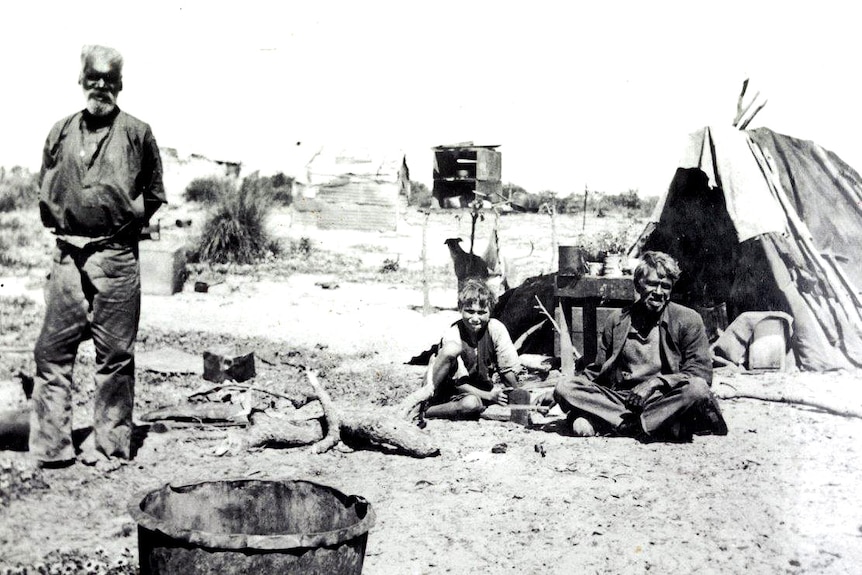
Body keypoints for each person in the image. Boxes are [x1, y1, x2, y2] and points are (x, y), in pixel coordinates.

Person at [30, 45, 165, 467]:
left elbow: (154, 193)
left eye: (110, 79)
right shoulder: (59, 131)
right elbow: (44, 188)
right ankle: (52, 447)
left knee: (115, 357)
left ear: (120, 85)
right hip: (67, 256)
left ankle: (110, 447)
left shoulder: (138, 133)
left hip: (115, 257)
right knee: (51, 352)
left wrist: (121, 221)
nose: (101, 86)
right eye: (94, 78)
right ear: (81, 80)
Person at [553, 251, 727, 442]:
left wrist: (656, 382)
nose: (659, 293)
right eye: (652, 284)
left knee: (697, 389)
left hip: (665, 399)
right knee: (564, 386)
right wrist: (557, 393)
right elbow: (596, 371)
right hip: (623, 401)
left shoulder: (688, 319)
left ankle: (623, 424)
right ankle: (652, 425)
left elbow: (701, 374)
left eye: (665, 287)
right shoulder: (617, 320)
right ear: (637, 284)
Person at [403, 279, 521, 422]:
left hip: (476, 392)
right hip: (446, 389)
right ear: (460, 309)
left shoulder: (496, 329)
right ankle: (425, 410)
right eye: (470, 312)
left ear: (490, 311)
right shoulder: (453, 334)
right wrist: (489, 396)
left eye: (481, 312)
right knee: (470, 403)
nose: (475, 318)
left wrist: (519, 398)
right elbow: (458, 383)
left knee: (472, 403)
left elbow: (507, 369)